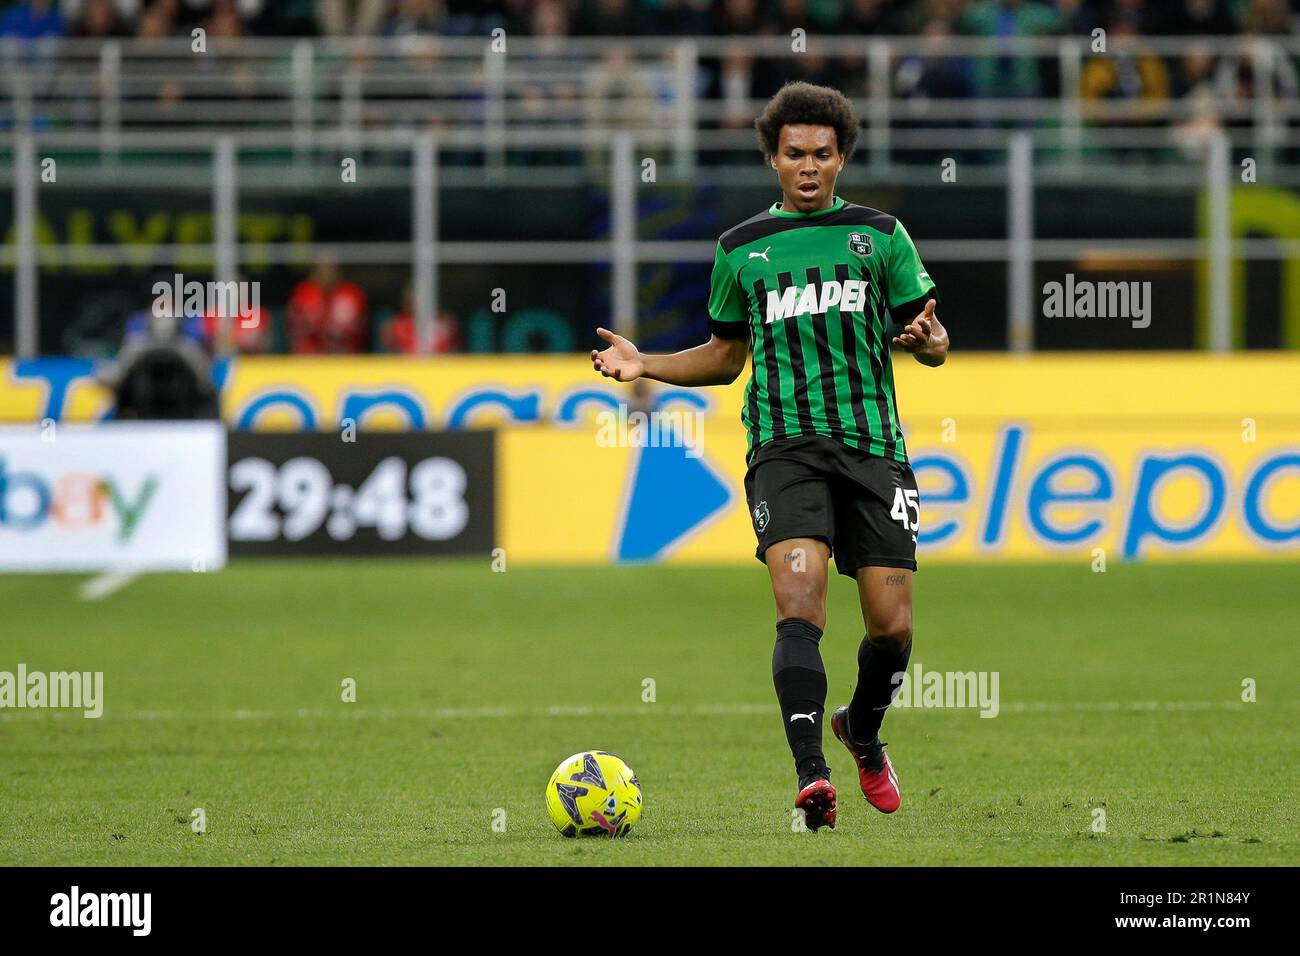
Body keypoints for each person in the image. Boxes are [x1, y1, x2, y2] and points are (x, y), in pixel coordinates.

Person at [589, 82, 949, 831]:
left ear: (842, 156)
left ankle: (864, 732)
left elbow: (929, 335)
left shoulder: (882, 236)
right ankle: (813, 775)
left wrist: (933, 346)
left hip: (873, 450)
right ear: (773, 159)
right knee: (800, 602)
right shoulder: (740, 249)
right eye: (795, 154)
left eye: (822, 153)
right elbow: (725, 358)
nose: (809, 167)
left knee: (892, 627)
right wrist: (645, 363)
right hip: (782, 450)